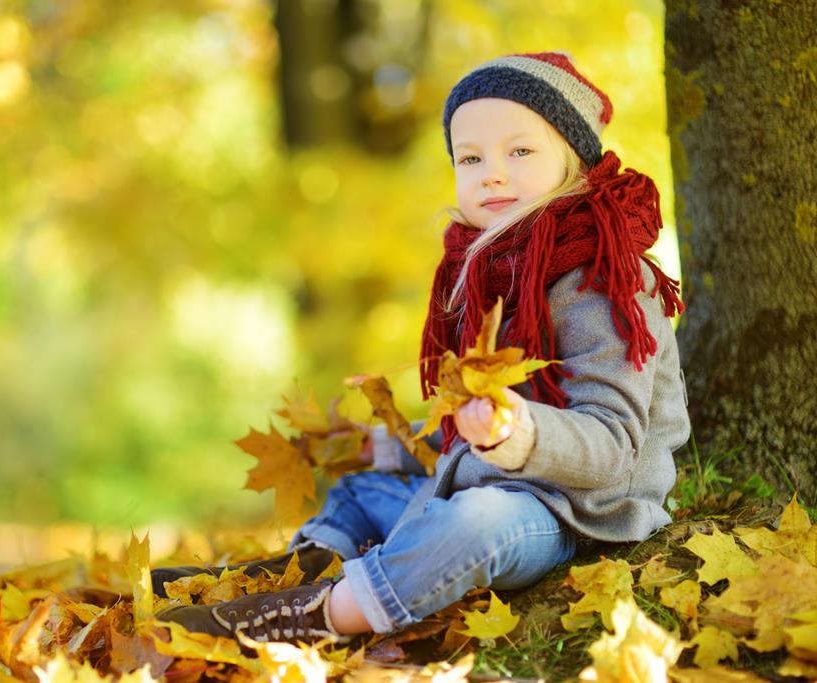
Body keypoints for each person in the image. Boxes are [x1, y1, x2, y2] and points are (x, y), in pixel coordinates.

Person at [154, 51, 691, 645]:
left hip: (574, 515)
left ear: (575, 161)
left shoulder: (599, 278)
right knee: (362, 490)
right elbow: (466, 435)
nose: (492, 172)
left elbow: (613, 444)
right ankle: (297, 572)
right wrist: (380, 445)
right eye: (471, 157)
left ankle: (321, 616)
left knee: (474, 521)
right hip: (490, 477)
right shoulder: (488, 275)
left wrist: (518, 433)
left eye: (520, 151)